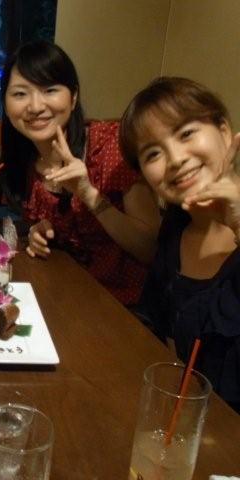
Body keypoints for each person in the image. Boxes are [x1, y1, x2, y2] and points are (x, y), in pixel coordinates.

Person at [0, 41, 160, 306]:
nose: (35, 106)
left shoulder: (110, 147)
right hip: (68, 299)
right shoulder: (25, 162)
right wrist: (40, 232)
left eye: (50, 90)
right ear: (5, 104)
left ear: (73, 97)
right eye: (20, 94)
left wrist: (89, 194)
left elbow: (150, 249)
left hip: (129, 306)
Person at [119, 76, 240, 413]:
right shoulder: (177, 228)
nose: (174, 159)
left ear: (224, 132)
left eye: (186, 133)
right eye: (153, 153)